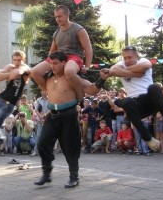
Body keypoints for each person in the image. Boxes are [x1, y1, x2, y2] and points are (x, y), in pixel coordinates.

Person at [33, 51, 108, 188]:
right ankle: (47, 172)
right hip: (52, 115)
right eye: (51, 64)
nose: (53, 66)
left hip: (69, 115)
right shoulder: (48, 79)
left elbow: (91, 90)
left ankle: (74, 176)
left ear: (64, 63)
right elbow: (35, 73)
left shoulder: (72, 78)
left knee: (70, 148)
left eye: (56, 63)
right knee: (42, 143)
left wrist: (102, 78)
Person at [107, 46, 163, 151]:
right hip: (136, 105)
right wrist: (135, 73)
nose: (127, 60)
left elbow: (146, 65)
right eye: (125, 58)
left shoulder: (143, 61)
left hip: (150, 101)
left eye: (130, 57)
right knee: (126, 101)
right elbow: (112, 71)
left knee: (154, 87)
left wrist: (122, 71)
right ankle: (148, 138)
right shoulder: (120, 64)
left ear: (136, 56)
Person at [31, 5, 93, 101]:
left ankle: (79, 94)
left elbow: (88, 49)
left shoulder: (79, 29)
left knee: (69, 71)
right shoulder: (56, 33)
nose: (57, 19)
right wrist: (50, 62)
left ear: (67, 15)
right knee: (34, 72)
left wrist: (87, 66)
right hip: (59, 57)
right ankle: (49, 91)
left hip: (74, 57)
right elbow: (52, 51)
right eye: (56, 17)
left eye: (60, 16)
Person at [0, 50, 31, 145]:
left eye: (19, 60)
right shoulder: (9, 67)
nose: (16, 62)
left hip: (8, 104)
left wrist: (16, 72)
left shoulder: (25, 68)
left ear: (23, 60)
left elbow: (19, 71)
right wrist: (9, 74)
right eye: (14, 60)